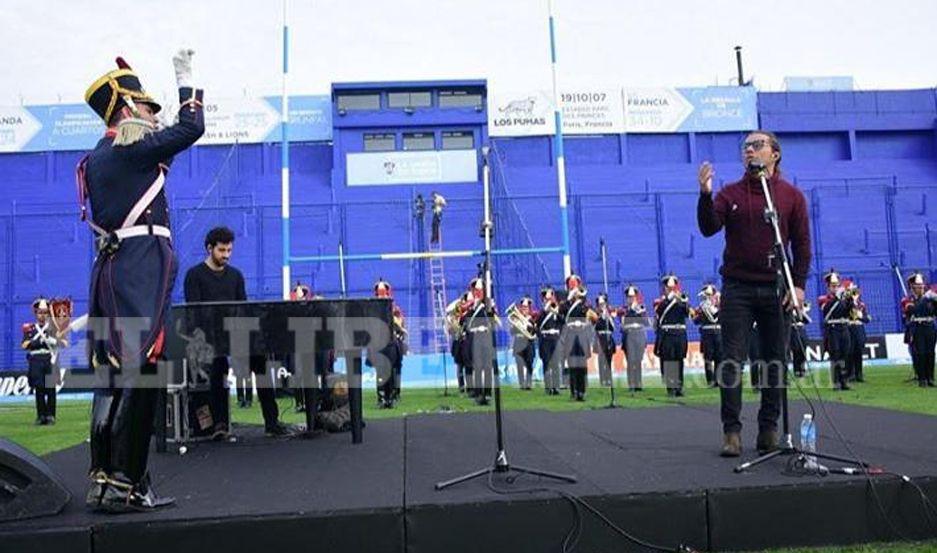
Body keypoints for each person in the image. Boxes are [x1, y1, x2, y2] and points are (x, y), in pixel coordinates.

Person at [78, 50, 203, 512]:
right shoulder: (131, 147)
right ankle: (130, 483)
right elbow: (191, 129)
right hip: (140, 267)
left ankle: (104, 480)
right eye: (148, 107)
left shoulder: (99, 157)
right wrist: (186, 84)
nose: (154, 114)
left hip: (111, 269)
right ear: (128, 110)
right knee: (144, 370)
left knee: (110, 373)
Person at [697, 130, 811, 458]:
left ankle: (769, 429)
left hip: (777, 287)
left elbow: (802, 245)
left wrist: (798, 285)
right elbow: (708, 227)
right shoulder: (729, 193)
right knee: (731, 360)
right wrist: (705, 195)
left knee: (775, 359)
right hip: (738, 288)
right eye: (746, 147)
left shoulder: (791, 196)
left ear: (774, 154)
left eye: (757, 145)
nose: (750, 150)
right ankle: (731, 432)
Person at [183, 227, 296, 438]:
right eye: (221, 250)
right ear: (210, 249)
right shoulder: (194, 275)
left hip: (236, 336)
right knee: (218, 367)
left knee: (260, 363)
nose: (226, 255)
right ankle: (219, 425)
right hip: (209, 340)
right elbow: (194, 313)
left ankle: (272, 421)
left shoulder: (235, 276)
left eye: (229, 250)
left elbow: (242, 309)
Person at [22, 298, 67, 425]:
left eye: (45, 312)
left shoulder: (53, 328)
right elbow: (24, 345)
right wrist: (38, 342)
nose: (42, 315)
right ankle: (41, 416)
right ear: (36, 314)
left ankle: (51, 415)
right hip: (36, 360)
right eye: (40, 312)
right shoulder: (30, 329)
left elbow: (64, 343)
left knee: (51, 388)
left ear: (48, 313)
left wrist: (54, 341)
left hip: (50, 360)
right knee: (39, 389)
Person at [367, 278, 407, 408]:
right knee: (380, 372)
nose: (381, 294)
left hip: (391, 343)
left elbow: (400, 323)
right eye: (379, 292)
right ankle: (381, 397)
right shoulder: (372, 308)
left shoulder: (394, 308)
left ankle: (391, 396)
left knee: (391, 370)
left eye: (383, 291)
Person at [559, 274, 596, 401]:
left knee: (582, 365)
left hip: (581, 335)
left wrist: (579, 299)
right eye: (571, 283)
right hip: (570, 335)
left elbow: (589, 313)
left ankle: (582, 391)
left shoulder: (583, 301)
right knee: (572, 365)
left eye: (575, 283)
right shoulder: (565, 301)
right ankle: (574, 391)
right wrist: (570, 299)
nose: (573, 286)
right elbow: (561, 312)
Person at [653, 274, 690, 397]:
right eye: (669, 288)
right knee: (669, 360)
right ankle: (671, 388)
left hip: (679, 334)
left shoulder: (681, 300)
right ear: (664, 288)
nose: (671, 290)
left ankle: (679, 387)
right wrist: (670, 299)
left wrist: (682, 301)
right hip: (668, 334)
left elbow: (686, 313)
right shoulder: (660, 302)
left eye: (673, 287)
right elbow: (659, 311)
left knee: (679, 360)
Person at [818, 270, 854, 391]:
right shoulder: (824, 298)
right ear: (828, 287)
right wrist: (837, 298)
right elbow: (827, 311)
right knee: (835, 355)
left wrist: (850, 301)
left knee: (845, 354)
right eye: (833, 286)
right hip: (833, 329)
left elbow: (848, 313)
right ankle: (836, 382)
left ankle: (844, 381)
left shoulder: (842, 299)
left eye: (837, 285)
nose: (835, 288)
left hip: (844, 327)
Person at [901, 272, 937, 387]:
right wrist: (925, 299)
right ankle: (922, 379)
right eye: (918, 287)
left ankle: (930, 377)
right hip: (918, 327)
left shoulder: (930, 298)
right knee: (920, 353)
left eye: (922, 286)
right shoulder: (908, 299)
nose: (921, 289)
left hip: (930, 326)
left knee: (930, 353)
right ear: (912, 287)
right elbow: (914, 310)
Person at [692, 284, 722, 388]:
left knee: (719, 358)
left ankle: (718, 380)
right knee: (708, 358)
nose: (707, 297)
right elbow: (696, 321)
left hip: (718, 333)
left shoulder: (720, 305)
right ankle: (711, 380)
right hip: (708, 334)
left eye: (709, 295)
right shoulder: (702, 307)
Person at [620, 284, 648, 392]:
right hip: (629, 335)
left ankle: (638, 383)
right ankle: (631, 384)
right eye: (629, 297)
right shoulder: (624, 310)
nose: (630, 299)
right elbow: (622, 324)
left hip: (639, 334)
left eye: (632, 297)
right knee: (631, 360)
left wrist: (640, 313)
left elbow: (646, 322)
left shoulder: (641, 308)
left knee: (638, 360)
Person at [537, 286, 562, 396]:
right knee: (546, 363)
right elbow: (537, 324)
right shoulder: (541, 312)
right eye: (547, 298)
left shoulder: (556, 310)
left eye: (551, 297)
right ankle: (548, 387)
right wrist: (545, 310)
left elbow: (563, 322)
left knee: (556, 364)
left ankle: (556, 387)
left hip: (555, 338)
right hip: (545, 339)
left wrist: (556, 312)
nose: (549, 300)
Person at [508, 296, 537, 390]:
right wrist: (515, 325)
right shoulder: (516, 319)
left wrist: (528, 325)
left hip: (528, 343)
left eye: (526, 308)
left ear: (529, 309)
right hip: (518, 342)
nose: (524, 309)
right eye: (523, 307)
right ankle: (521, 383)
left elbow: (535, 331)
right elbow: (512, 332)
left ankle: (529, 383)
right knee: (519, 363)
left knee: (529, 363)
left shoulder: (532, 319)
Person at [845, 280, 870, 383]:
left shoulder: (861, 305)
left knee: (858, 352)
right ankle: (850, 374)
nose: (855, 294)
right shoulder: (847, 303)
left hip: (859, 328)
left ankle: (859, 374)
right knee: (849, 352)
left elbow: (866, 319)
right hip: (850, 328)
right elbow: (849, 314)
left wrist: (861, 317)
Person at [594, 293, 617, 387]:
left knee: (608, 359)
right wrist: (601, 316)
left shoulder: (609, 314)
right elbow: (595, 327)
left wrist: (608, 317)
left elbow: (613, 328)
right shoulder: (596, 314)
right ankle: (602, 380)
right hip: (600, 338)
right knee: (601, 360)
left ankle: (608, 378)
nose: (602, 306)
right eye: (600, 304)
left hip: (608, 337)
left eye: (603, 304)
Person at [789, 301, 812, 378]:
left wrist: (801, 310)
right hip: (793, 330)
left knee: (803, 349)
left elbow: (808, 321)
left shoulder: (800, 310)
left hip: (801, 329)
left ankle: (802, 369)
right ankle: (797, 370)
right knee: (796, 350)